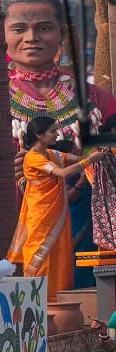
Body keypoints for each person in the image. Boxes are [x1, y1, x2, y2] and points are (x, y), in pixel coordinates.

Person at [8, 116, 110, 301]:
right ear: (39, 135)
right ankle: (37, 301)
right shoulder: (33, 158)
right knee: (41, 256)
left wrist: (98, 155)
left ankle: (59, 301)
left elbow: (78, 159)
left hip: (58, 215)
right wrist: (89, 161)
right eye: (52, 131)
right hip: (40, 217)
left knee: (60, 256)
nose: (56, 134)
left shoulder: (53, 154)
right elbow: (62, 172)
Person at [4, 0, 116, 151]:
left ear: (63, 32)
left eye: (44, 28)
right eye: (19, 29)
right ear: (1, 34)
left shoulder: (98, 99)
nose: (31, 38)